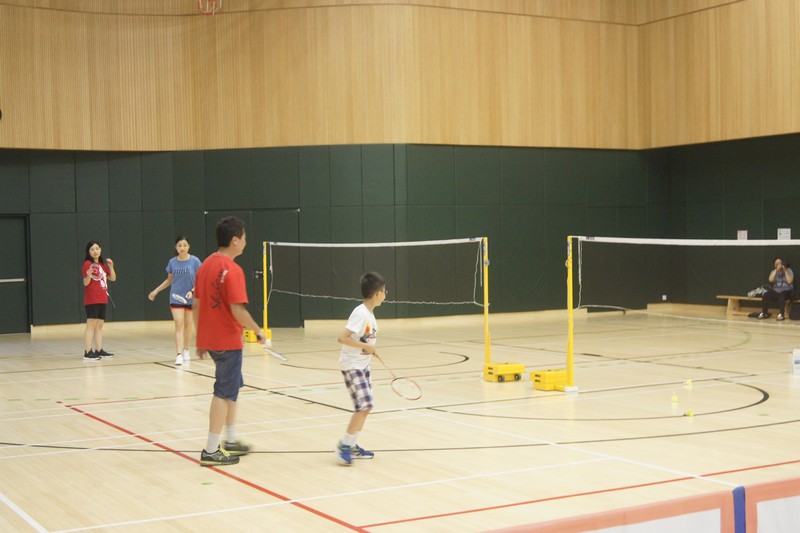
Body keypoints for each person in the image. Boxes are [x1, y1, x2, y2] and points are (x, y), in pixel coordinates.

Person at [194, 216, 265, 467]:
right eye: (244, 238)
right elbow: (238, 310)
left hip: (213, 340)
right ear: (235, 240)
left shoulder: (205, 265)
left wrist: (200, 337)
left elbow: (197, 304)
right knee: (223, 392)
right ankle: (211, 449)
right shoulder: (233, 271)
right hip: (227, 341)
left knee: (232, 389)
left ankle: (231, 440)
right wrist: (258, 330)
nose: (246, 242)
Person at [335, 271, 387, 465]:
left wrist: (368, 349)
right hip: (352, 366)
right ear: (377, 293)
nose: (385, 294)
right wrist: (365, 346)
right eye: (384, 291)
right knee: (363, 406)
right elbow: (343, 338)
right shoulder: (360, 313)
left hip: (363, 365)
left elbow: (362, 339)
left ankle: (352, 444)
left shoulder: (370, 315)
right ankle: (344, 445)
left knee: (367, 407)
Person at [148, 235, 202, 365]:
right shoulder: (172, 262)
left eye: (184, 245)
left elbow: (201, 279)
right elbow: (169, 280)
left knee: (188, 325)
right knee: (179, 324)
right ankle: (178, 354)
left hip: (191, 298)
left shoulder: (195, 261)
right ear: (176, 247)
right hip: (175, 297)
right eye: (179, 245)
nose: (182, 248)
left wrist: (193, 291)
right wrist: (156, 290)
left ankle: (186, 349)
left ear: (188, 246)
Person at [81, 241, 117, 361]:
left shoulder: (102, 265)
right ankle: (87, 351)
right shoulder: (87, 264)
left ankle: (99, 349)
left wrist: (111, 267)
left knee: (99, 325)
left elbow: (112, 278)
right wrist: (89, 275)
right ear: (88, 252)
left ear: (100, 250)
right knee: (91, 324)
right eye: (92, 249)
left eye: (97, 249)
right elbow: (85, 283)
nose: (95, 251)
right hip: (92, 299)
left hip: (102, 298)